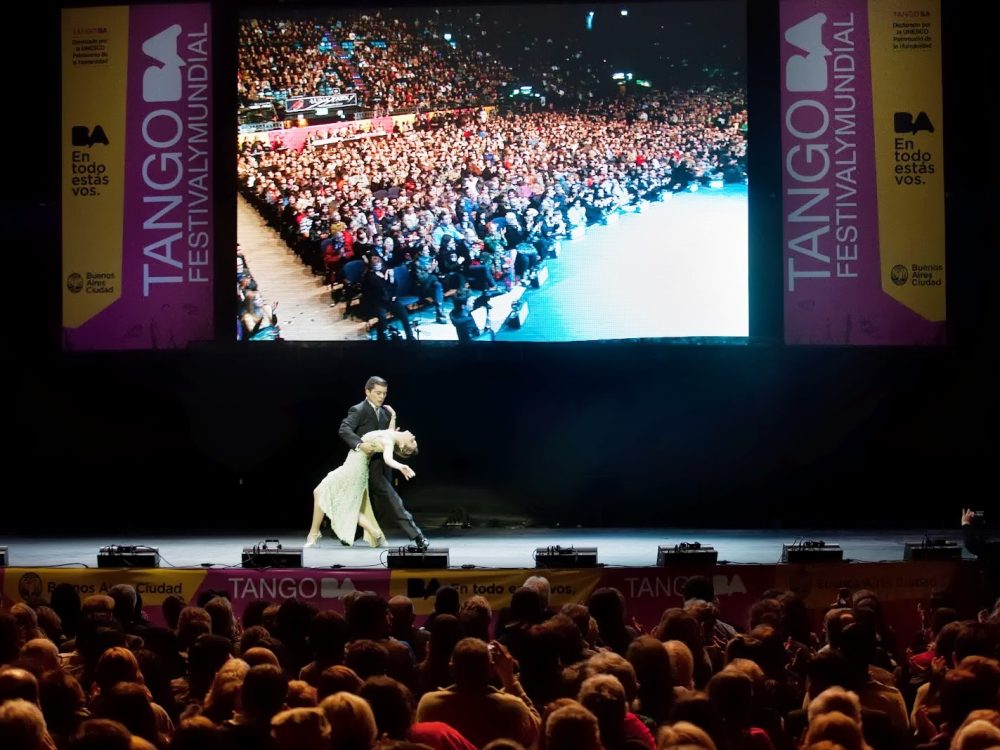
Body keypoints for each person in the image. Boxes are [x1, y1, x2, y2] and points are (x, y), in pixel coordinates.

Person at [306, 376, 428, 549]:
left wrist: (393, 427)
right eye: (378, 393)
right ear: (367, 391)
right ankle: (349, 533)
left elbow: (387, 437)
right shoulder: (359, 410)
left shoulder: (385, 413)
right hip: (359, 466)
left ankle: (417, 536)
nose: (381, 397)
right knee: (350, 499)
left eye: (384, 393)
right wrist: (360, 444)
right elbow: (344, 429)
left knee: (389, 503)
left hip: (378, 469)